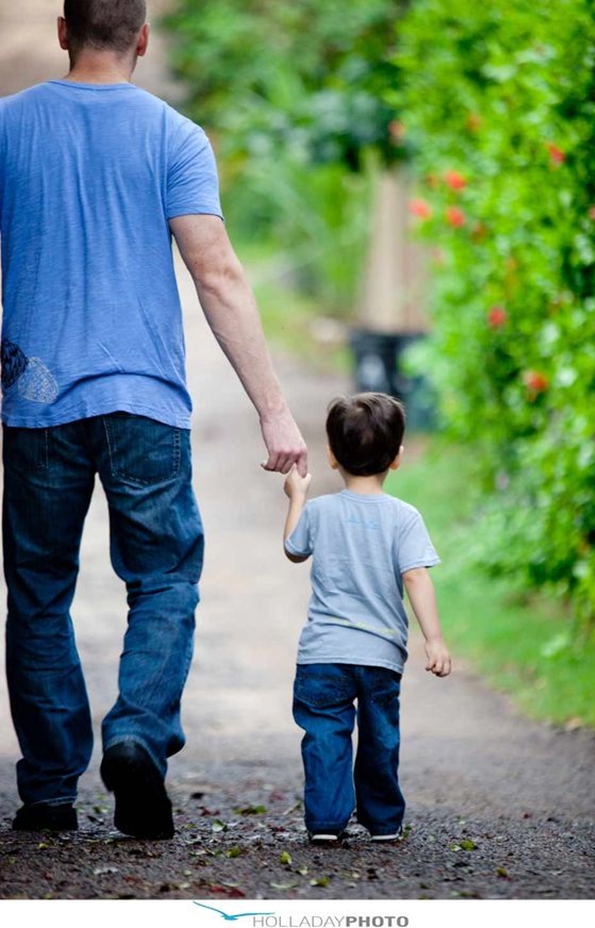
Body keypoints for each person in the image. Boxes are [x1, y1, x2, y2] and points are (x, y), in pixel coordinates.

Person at [0, 0, 307, 839]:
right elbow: (218, 275)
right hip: (146, 402)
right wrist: (274, 414)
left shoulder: (7, 127)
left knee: (36, 593)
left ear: (62, 32)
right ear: (142, 37)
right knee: (164, 579)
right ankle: (136, 733)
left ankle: (51, 791)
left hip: (32, 400)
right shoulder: (175, 136)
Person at [283, 392, 450, 844]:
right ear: (397, 458)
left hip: (323, 654)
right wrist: (433, 639)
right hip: (379, 655)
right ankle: (382, 821)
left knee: (324, 734)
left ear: (333, 456)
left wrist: (296, 495)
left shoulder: (319, 510)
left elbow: (294, 549)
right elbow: (415, 577)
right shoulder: (404, 517)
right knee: (380, 738)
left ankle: (325, 821)